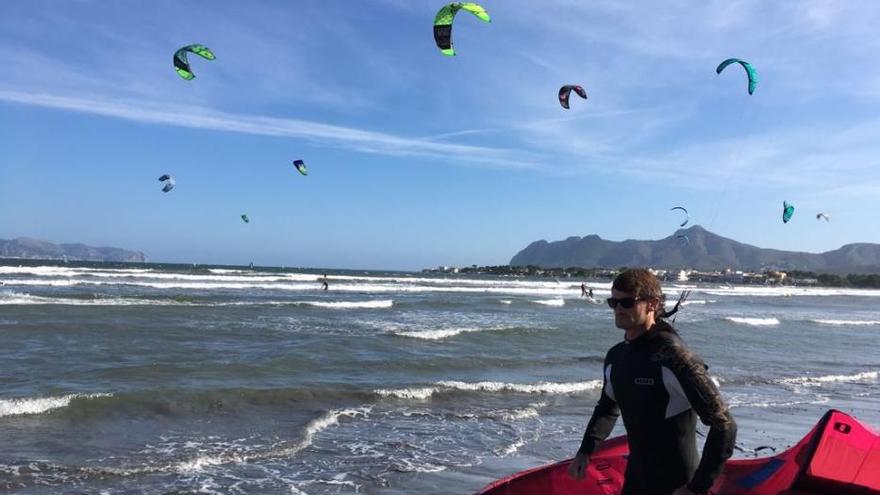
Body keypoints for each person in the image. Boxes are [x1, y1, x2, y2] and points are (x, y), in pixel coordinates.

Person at [568, 268, 736, 495]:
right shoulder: (616, 356)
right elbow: (607, 408)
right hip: (636, 481)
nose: (618, 309)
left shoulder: (675, 357)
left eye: (627, 302)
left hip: (677, 486)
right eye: (613, 302)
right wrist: (585, 451)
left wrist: (697, 487)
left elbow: (724, 425)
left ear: (653, 304)